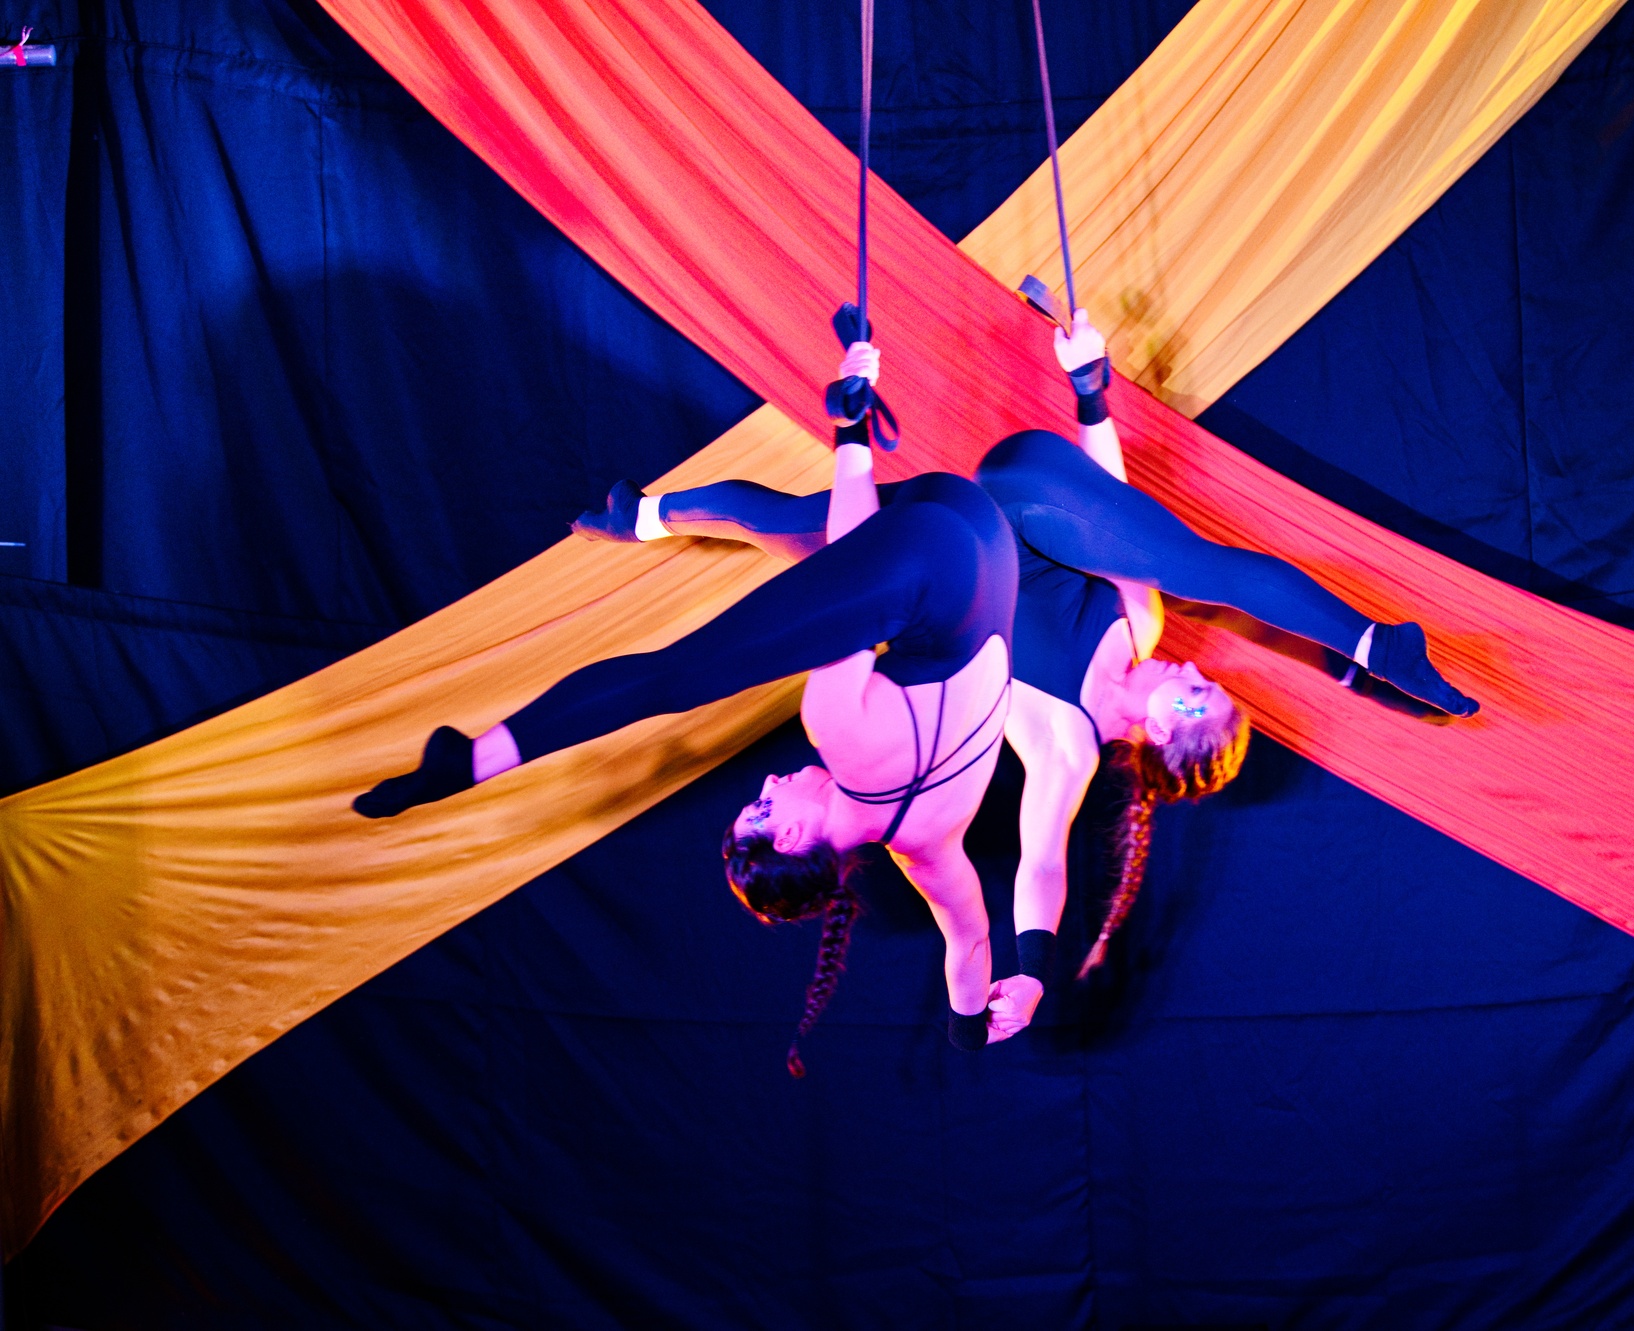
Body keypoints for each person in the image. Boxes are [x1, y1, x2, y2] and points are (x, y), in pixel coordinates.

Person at [572, 314, 1479, 1035]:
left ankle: (640, 514)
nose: (1194, 667)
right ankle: (1373, 644)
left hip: (958, 527)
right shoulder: (1143, 625)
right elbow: (1115, 511)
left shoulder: (1062, 747)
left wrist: (1032, 970)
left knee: (794, 529)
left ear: (1166, 731)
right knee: (1179, 561)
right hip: (1032, 486)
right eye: (1208, 682)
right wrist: (1090, 393)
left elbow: (1039, 865)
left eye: (1196, 693)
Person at [354, 344, 1029, 1072]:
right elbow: (856, 551)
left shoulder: (933, 851)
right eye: (765, 808)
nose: (768, 783)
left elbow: (970, 942)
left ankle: (641, 516)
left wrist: (970, 1026)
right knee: (677, 676)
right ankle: (475, 760)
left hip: (984, 539)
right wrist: (851, 429)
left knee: (780, 525)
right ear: (794, 835)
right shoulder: (840, 733)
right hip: (934, 552)